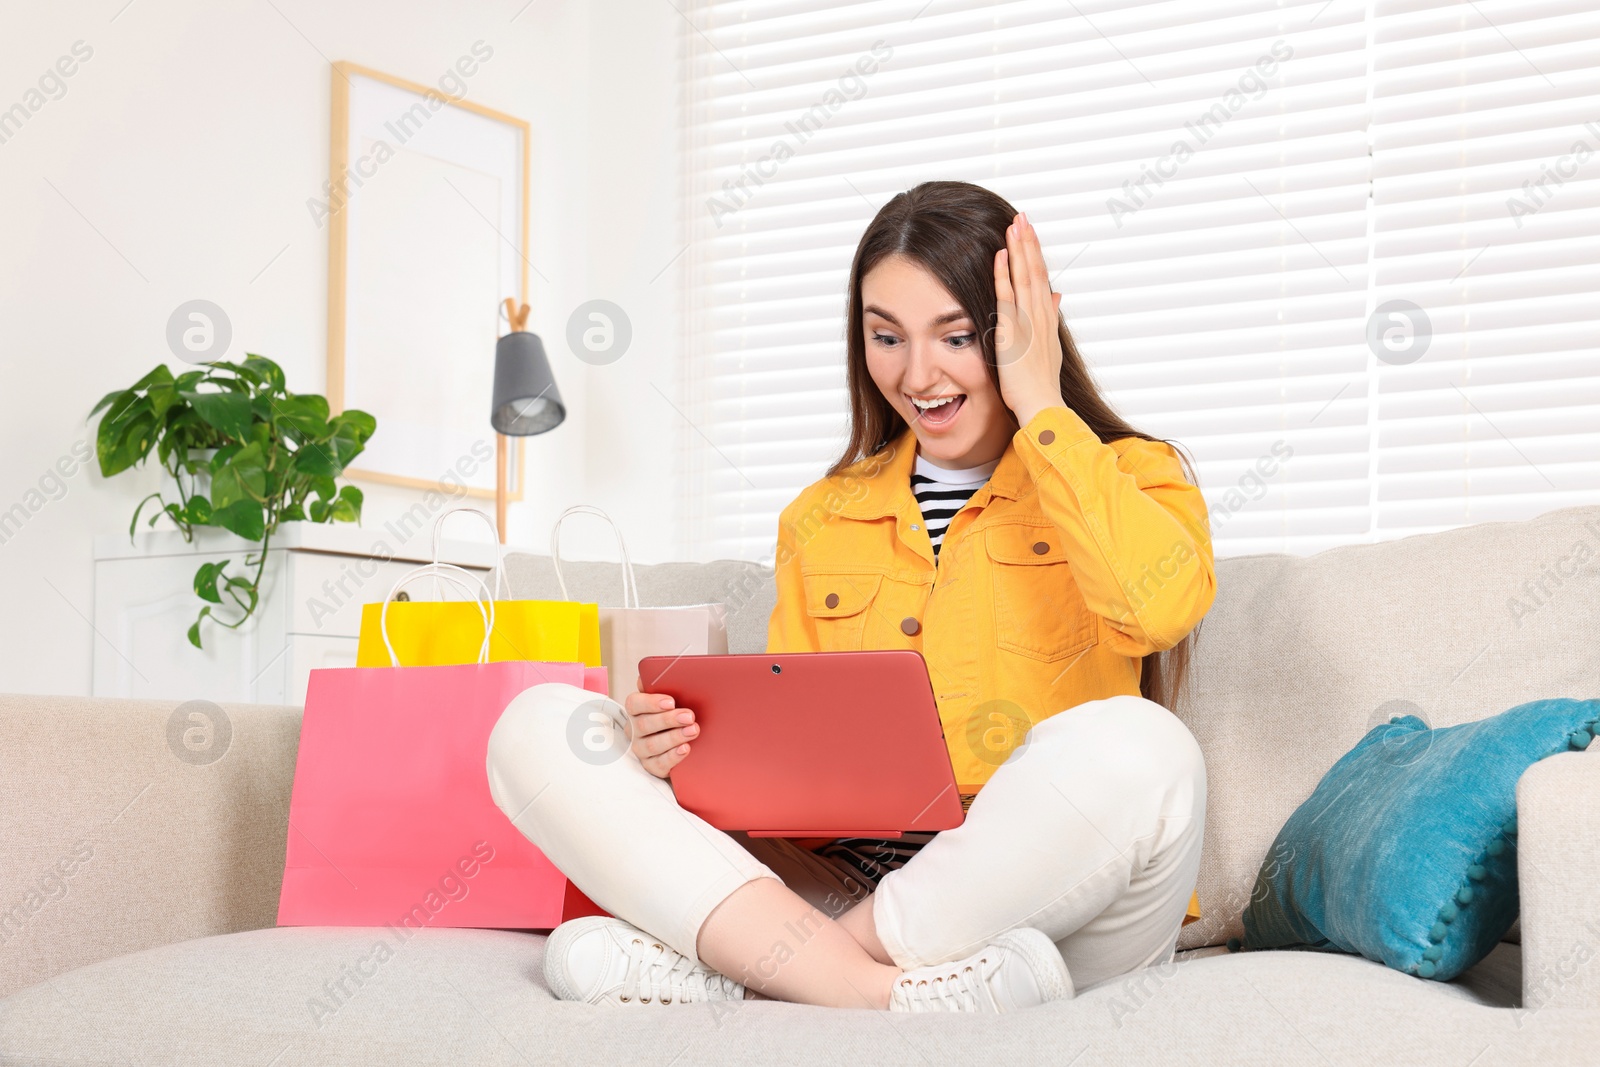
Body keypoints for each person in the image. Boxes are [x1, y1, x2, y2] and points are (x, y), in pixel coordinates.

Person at [487, 180, 1216, 1013]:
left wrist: (1041, 404)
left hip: (1044, 892)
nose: (918, 374)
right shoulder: (822, 514)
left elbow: (1155, 611)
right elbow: (795, 760)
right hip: (840, 873)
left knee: (1148, 748)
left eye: (958, 335)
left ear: (1025, 329)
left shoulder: (1134, 473)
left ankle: (769, 974)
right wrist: (679, 758)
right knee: (541, 724)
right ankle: (888, 995)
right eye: (886, 337)